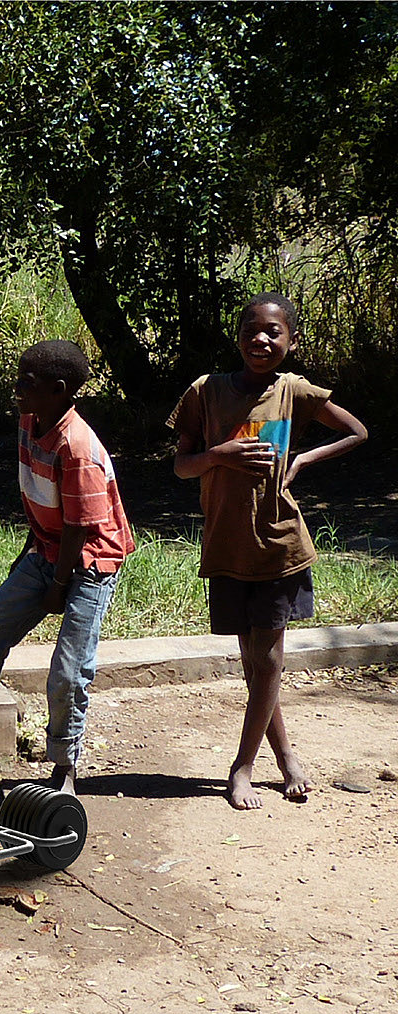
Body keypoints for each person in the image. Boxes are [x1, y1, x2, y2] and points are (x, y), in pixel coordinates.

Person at [169, 292, 367, 810]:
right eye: (252, 330)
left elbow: (356, 432)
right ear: (237, 337)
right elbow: (181, 464)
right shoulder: (205, 392)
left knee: (270, 658)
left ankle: (242, 766)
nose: (262, 339)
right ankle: (287, 759)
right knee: (255, 663)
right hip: (227, 544)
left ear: (291, 341)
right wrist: (219, 455)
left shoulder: (294, 391)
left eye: (274, 332)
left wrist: (303, 459)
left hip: (279, 544)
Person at [0, 340, 135, 796]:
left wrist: (57, 587)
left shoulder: (77, 448)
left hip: (89, 561)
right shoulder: (30, 422)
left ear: (58, 391)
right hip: (47, 550)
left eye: (27, 384)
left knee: (68, 669)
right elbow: (40, 498)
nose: (16, 389)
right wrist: (31, 555)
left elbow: (81, 527)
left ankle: (63, 774)